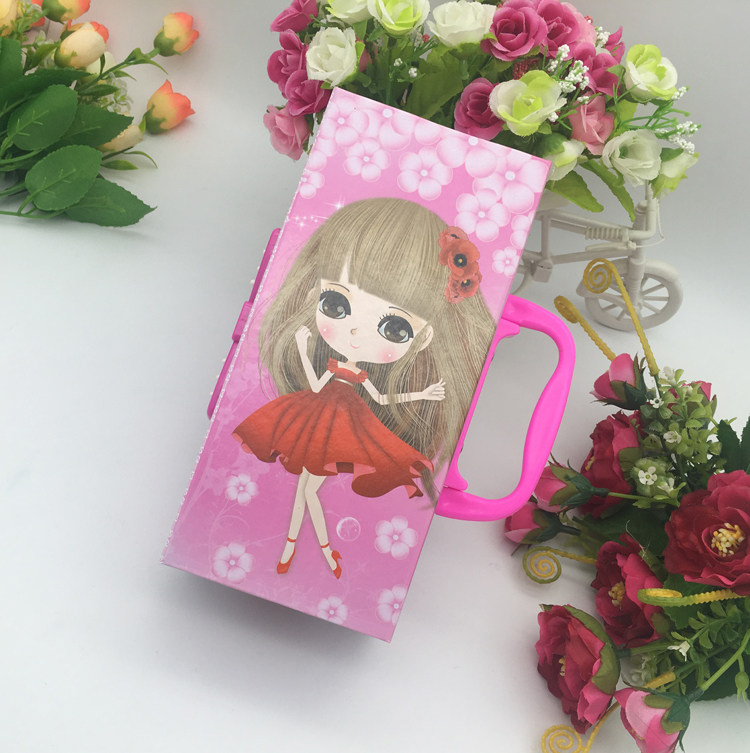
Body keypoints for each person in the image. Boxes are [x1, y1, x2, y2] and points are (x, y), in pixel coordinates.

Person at [233, 198, 495, 578]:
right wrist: (305, 349)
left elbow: (382, 398)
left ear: (423, 338)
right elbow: (317, 384)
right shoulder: (334, 364)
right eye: (336, 304)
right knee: (306, 489)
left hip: (343, 428)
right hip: (317, 416)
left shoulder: (362, 375)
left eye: (394, 328)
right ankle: (305, 550)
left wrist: (423, 394)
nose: (355, 332)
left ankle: (307, 550)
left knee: (308, 490)